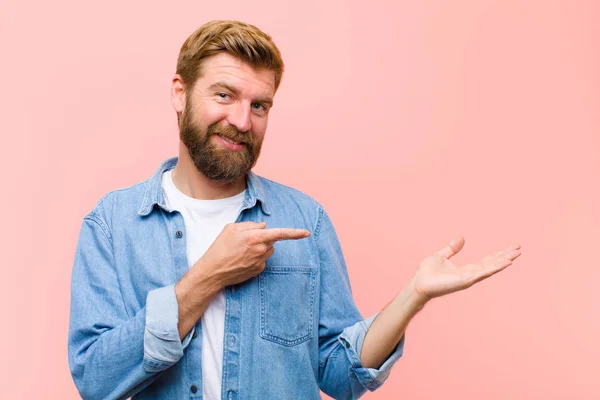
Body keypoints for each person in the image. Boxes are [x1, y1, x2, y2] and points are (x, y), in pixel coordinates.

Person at [68, 20, 521, 400]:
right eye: (224, 96)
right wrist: (209, 275)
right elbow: (95, 379)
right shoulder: (112, 225)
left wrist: (413, 296)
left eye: (259, 105)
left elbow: (340, 373)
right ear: (180, 94)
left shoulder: (305, 220)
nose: (243, 122)